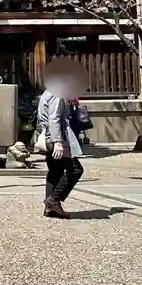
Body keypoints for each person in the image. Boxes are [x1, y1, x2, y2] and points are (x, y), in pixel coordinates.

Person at [35, 59, 87, 219]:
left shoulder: (53, 92)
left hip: (49, 135)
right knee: (75, 169)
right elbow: (54, 118)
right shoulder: (57, 94)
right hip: (54, 137)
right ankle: (53, 200)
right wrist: (58, 142)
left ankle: (50, 208)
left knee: (55, 170)